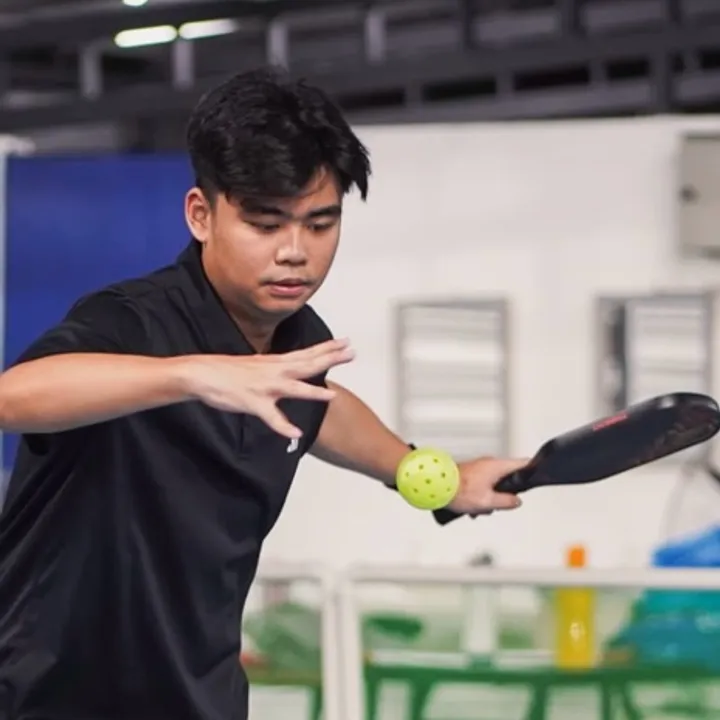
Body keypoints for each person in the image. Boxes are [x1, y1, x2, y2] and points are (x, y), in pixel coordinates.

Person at [0, 67, 526, 720]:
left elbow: (320, 407)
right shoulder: (133, 320)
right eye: (265, 223)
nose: (295, 252)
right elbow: (13, 398)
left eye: (320, 224)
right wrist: (193, 374)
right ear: (202, 215)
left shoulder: (298, 342)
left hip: (199, 697)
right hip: (48, 697)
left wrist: (436, 477)